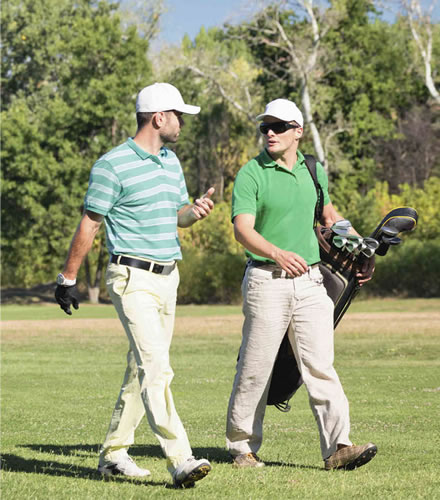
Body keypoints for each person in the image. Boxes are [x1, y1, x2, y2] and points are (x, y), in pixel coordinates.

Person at [54, 82, 215, 488]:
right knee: (156, 367)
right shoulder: (111, 166)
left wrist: (193, 212)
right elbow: (90, 223)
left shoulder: (170, 162)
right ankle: (180, 458)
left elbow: (177, 214)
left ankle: (112, 454)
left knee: (139, 369)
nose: (182, 123)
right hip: (132, 278)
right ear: (158, 117)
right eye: (178, 115)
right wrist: (68, 278)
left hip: (168, 278)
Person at [226, 98, 377, 470]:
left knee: (320, 366)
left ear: (298, 131)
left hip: (311, 280)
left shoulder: (313, 169)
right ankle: (242, 447)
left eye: (278, 127)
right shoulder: (251, 173)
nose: (270, 133)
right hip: (265, 279)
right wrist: (276, 253)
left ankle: (338, 448)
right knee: (256, 366)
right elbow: (242, 229)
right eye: (265, 127)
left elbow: (329, 216)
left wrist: (360, 247)